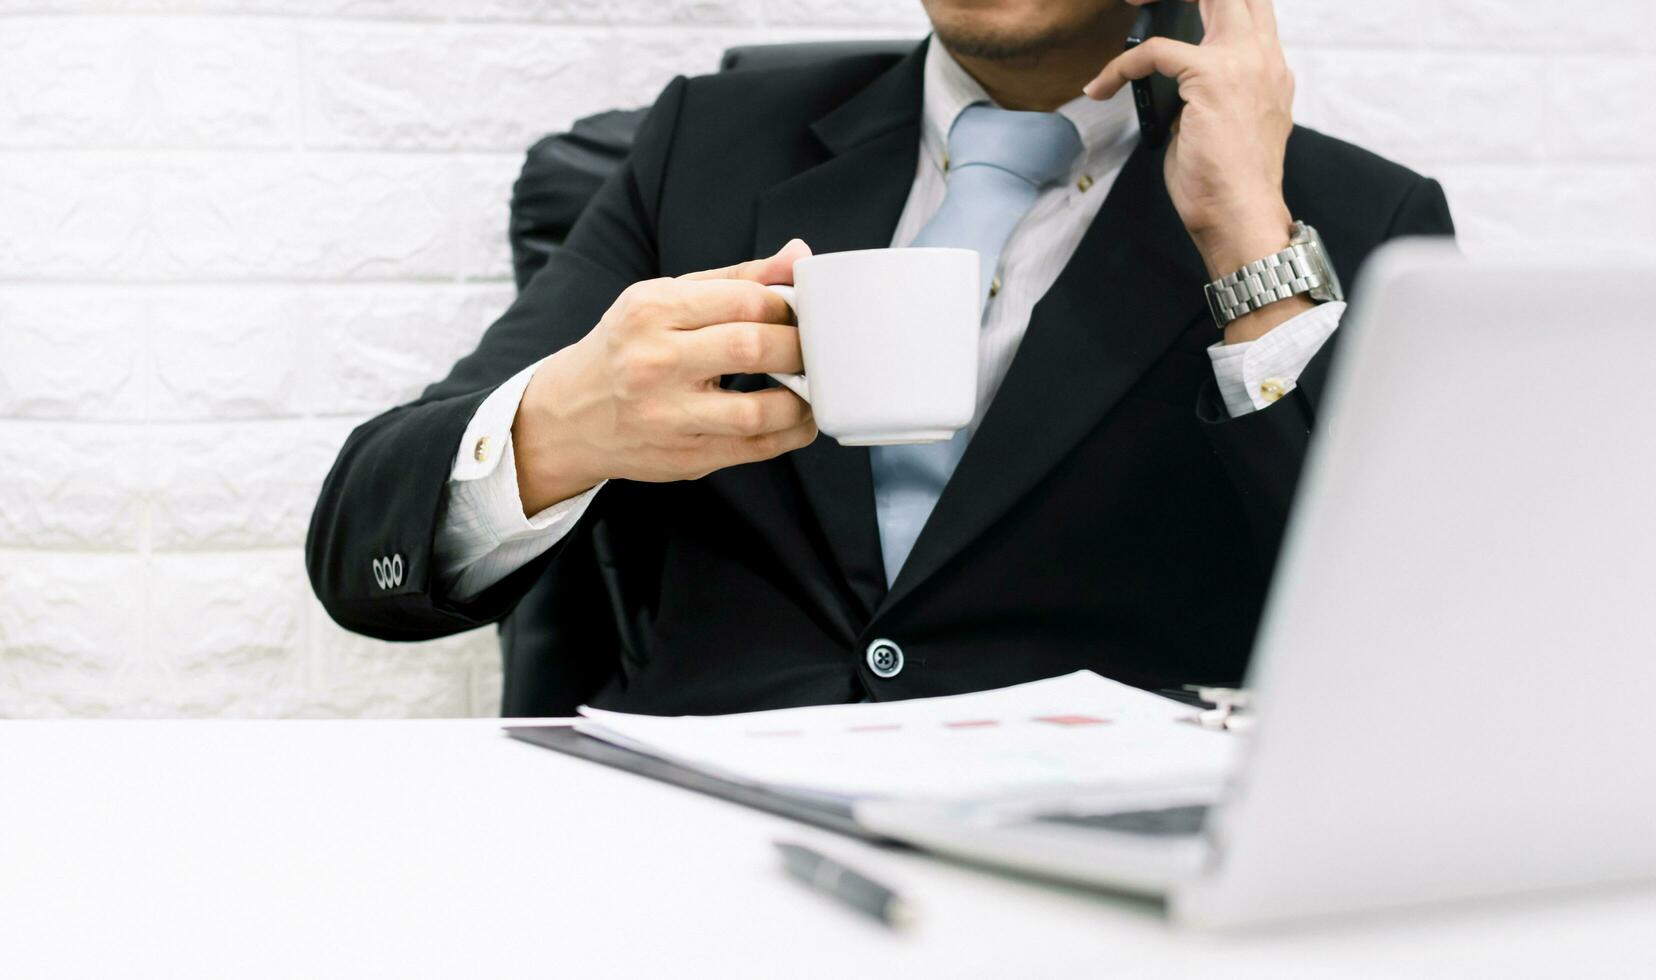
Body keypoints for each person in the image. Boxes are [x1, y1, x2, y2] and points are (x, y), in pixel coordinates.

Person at [306, 0, 1453, 715]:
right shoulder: (704, 142)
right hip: (692, 857)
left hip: (1084, 884)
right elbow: (364, 547)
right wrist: (563, 424)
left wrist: (1248, 244)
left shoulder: (1344, 218)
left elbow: (1424, 662)